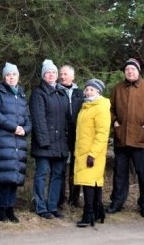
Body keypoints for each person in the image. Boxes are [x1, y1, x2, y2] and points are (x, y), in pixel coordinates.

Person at [106, 57, 144, 218]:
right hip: (121, 140)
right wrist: (115, 123)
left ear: (138, 71)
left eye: (133, 69)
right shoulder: (118, 88)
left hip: (141, 140)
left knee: (143, 174)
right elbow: (109, 109)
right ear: (124, 73)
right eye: (127, 70)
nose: (130, 72)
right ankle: (117, 203)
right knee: (120, 174)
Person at [0, 62, 32, 223]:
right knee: (5, 176)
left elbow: (28, 119)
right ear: (4, 77)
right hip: (3, 139)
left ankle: (10, 209)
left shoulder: (21, 94)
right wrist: (13, 127)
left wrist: (25, 130)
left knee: (15, 176)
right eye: (8, 75)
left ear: (18, 77)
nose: (11, 77)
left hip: (18, 140)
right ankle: (1, 209)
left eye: (14, 74)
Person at [29, 59, 71, 219]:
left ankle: (52, 206)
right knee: (42, 174)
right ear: (43, 75)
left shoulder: (61, 93)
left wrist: (67, 139)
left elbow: (67, 119)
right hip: (44, 144)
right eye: (48, 72)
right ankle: (40, 207)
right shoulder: (38, 93)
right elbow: (38, 119)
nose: (51, 75)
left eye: (54, 72)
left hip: (60, 144)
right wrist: (44, 142)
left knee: (58, 175)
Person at [74, 78, 111, 228]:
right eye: (87, 89)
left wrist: (93, 153)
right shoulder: (86, 107)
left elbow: (102, 133)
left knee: (89, 183)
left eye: (92, 90)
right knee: (93, 182)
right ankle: (98, 211)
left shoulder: (100, 107)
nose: (88, 92)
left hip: (92, 152)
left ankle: (88, 213)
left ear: (98, 92)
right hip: (83, 151)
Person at [58, 64, 84, 208]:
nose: (62, 76)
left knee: (76, 168)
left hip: (77, 136)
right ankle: (60, 199)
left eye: (66, 74)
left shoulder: (80, 93)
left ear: (73, 77)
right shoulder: (55, 91)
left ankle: (75, 198)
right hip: (61, 136)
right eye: (61, 74)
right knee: (60, 169)